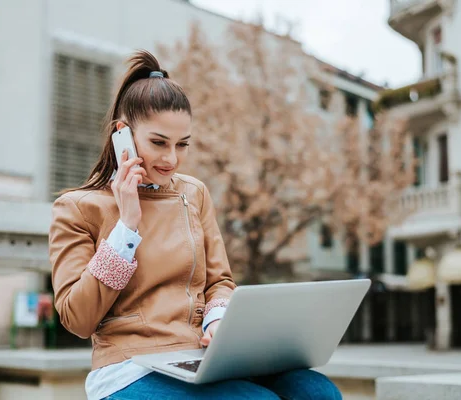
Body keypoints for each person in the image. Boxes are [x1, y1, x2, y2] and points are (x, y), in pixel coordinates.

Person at [49, 49, 342, 400]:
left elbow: (220, 281)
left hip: (200, 356)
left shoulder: (194, 194)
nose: (171, 158)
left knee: (317, 391)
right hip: (129, 366)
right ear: (122, 134)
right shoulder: (77, 208)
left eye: (182, 144)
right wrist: (126, 226)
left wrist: (217, 323)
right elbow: (77, 319)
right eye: (159, 142)